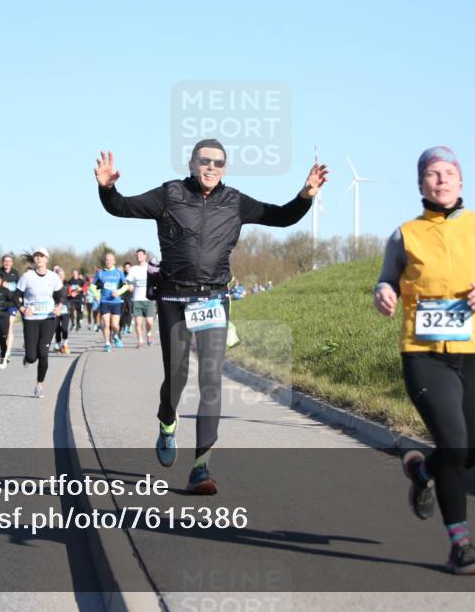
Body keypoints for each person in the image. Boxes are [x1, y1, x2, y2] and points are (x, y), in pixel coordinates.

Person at [96, 138, 327, 494]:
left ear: (225, 167)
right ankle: (167, 420)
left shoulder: (234, 201)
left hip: (213, 300)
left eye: (218, 162)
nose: (211, 167)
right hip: (174, 296)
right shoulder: (169, 194)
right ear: (192, 164)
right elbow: (121, 207)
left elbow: (279, 217)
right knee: (176, 377)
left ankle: (201, 468)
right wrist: (108, 189)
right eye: (204, 161)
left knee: (210, 380)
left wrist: (305, 195)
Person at [373, 146, 475, 576]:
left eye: (448, 173)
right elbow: (386, 280)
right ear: (420, 183)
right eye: (432, 174)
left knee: (469, 450)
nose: (441, 179)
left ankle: (423, 473)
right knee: (455, 444)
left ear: (461, 181)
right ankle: (462, 546)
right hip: (425, 353)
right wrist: (384, 292)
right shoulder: (405, 234)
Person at [14, 248, 66, 398]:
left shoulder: (53, 277)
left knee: (43, 353)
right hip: (31, 320)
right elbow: (15, 296)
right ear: (34, 259)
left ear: (46, 259)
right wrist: (22, 308)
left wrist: (59, 307)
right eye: (36, 256)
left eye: (41, 256)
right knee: (31, 357)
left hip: (48, 319)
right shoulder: (27, 276)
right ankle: (28, 356)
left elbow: (61, 294)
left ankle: (39, 385)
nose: (38, 259)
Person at [0, 253, 20, 364]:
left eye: (9, 261)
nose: (7, 263)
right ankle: (4, 349)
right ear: (2, 262)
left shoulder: (15, 273)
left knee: (10, 326)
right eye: (5, 261)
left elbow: (19, 287)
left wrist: (19, 298)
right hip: (0, 303)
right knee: (3, 330)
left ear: (12, 263)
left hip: (11, 303)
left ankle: (8, 352)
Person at [93, 252, 127, 352]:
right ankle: (107, 343)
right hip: (104, 301)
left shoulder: (118, 272)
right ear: (105, 261)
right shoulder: (100, 273)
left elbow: (126, 286)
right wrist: (97, 295)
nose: (108, 261)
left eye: (110, 260)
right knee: (105, 324)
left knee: (115, 325)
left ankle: (115, 335)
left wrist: (118, 292)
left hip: (116, 302)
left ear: (114, 261)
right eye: (107, 260)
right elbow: (92, 286)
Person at [127, 249, 156, 347]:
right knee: (138, 322)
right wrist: (130, 285)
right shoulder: (133, 269)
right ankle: (140, 339)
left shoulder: (150, 267)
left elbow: (156, 279)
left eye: (140, 255)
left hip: (149, 299)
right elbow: (128, 281)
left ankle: (148, 333)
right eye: (137, 255)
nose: (138, 257)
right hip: (137, 299)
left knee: (149, 322)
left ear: (145, 256)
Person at [52, 267, 71, 355]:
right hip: (54, 309)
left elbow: (69, 296)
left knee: (64, 328)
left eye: (62, 275)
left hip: (65, 309)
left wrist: (72, 295)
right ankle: (58, 345)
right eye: (59, 275)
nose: (61, 276)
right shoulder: (52, 285)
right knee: (57, 328)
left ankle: (65, 344)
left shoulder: (67, 284)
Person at [121, 261, 134, 337]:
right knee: (123, 311)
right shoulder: (122, 275)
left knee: (129, 311)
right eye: (126, 267)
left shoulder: (133, 275)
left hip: (130, 295)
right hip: (122, 295)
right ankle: (124, 326)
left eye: (128, 267)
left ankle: (129, 326)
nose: (127, 268)